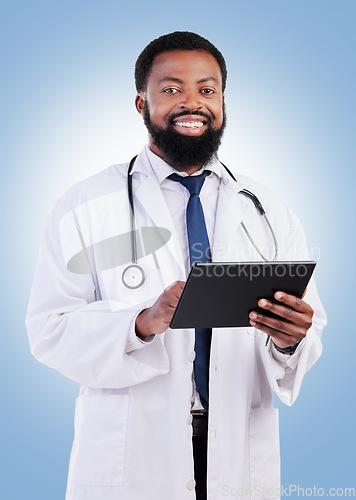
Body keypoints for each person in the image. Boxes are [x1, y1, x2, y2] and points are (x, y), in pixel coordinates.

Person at [26, 31, 326, 500]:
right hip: (135, 453)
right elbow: (48, 329)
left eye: (207, 90)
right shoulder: (86, 204)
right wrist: (141, 324)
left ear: (222, 100)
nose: (193, 103)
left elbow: (308, 324)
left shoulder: (266, 207)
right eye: (171, 89)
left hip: (238, 449)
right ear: (141, 103)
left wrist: (290, 340)